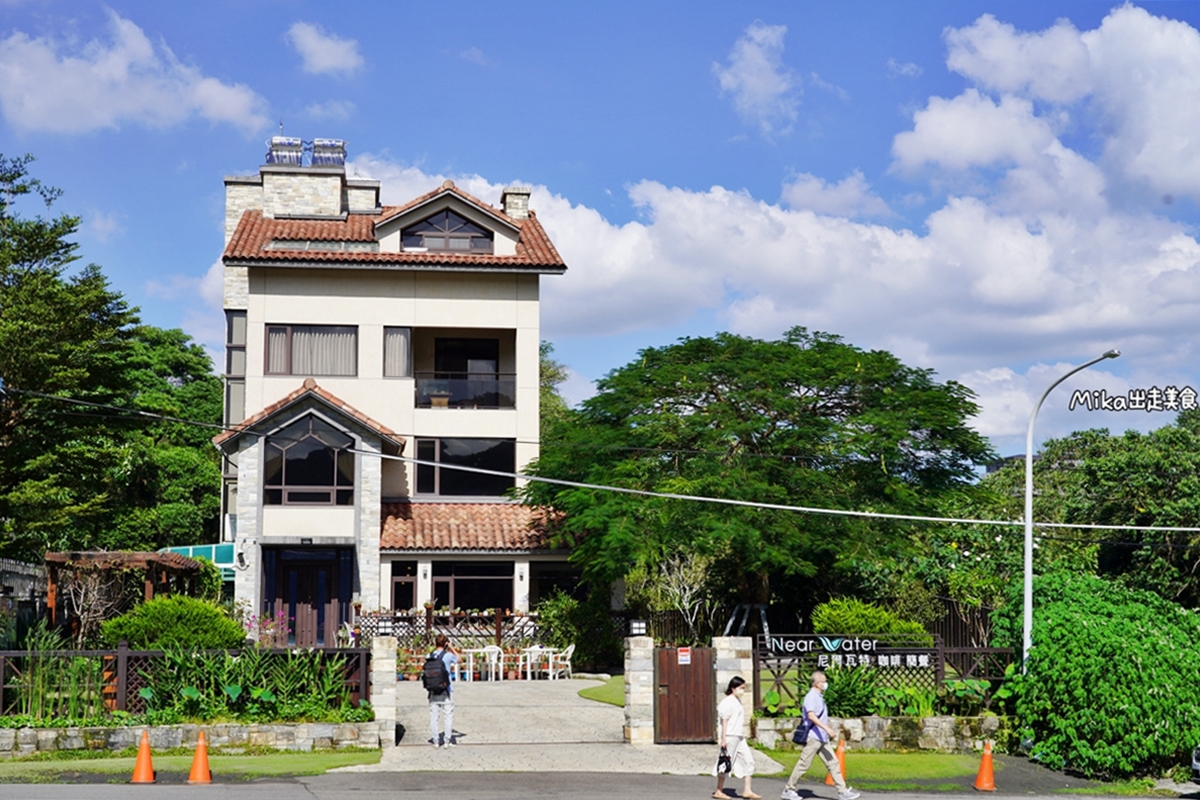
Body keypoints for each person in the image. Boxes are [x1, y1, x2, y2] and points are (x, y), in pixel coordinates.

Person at [781, 671, 860, 800]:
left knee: (833, 763)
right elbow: (811, 716)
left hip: (822, 738)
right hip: (814, 737)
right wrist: (827, 729)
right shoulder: (811, 697)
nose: (826, 684)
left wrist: (826, 731)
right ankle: (788, 789)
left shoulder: (818, 697)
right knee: (803, 764)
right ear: (817, 683)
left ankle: (843, 791)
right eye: (824, 681)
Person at [713, 676, 761, 800]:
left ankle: (747, 790)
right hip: (730, 736)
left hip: (739, 736)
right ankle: (719, 790)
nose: (743, 691)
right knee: (725, 763)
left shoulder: (737, 701)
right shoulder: (727, 702)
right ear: (733, 688)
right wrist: (723, 739)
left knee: (748, 760)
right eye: (741, 688)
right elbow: (724, 721)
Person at [427, 633, 458, 747]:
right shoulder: (448, 655)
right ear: (445, 643)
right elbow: (459, 659)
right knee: (448, 715)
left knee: (434, 716)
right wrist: (451, 647)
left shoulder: (429, 655)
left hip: (433, 689)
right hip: (447, 689)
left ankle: (435, 741)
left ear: (435, 643)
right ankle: (447, 741)